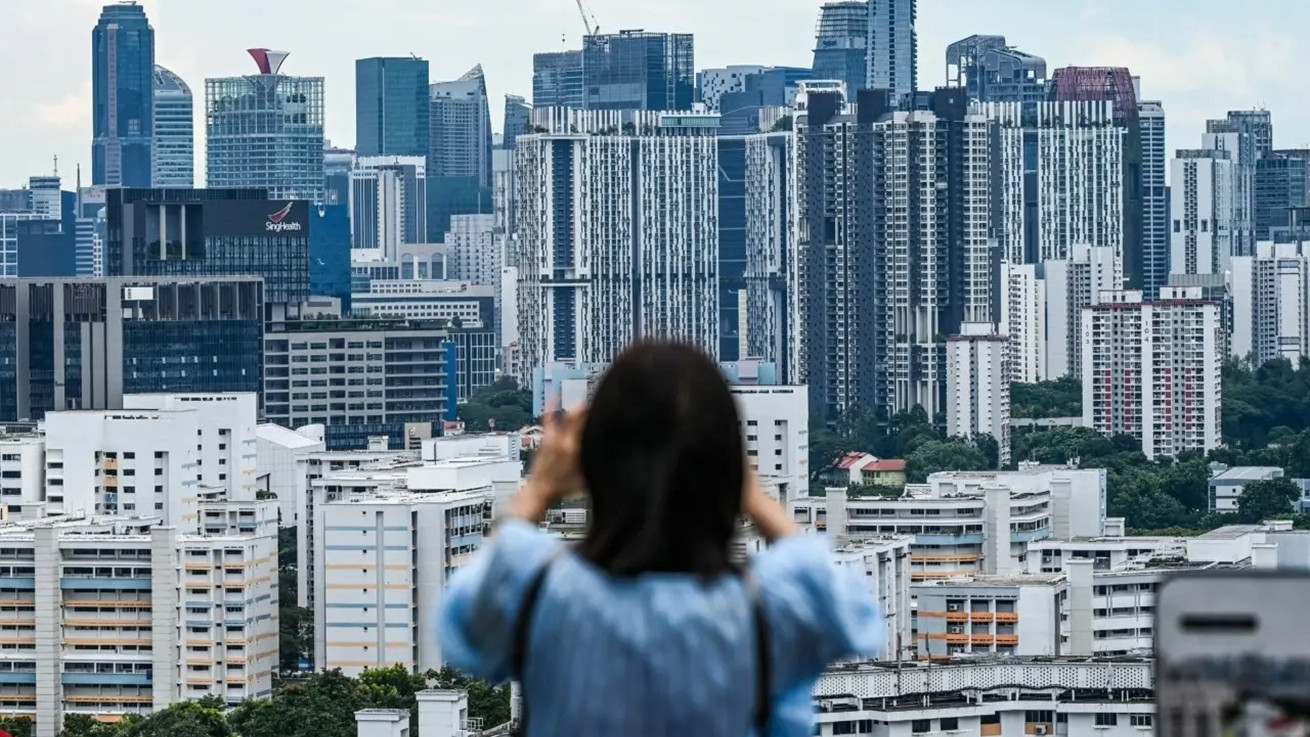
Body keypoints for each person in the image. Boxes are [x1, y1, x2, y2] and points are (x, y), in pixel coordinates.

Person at [438, 340, 883, 737]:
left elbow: (465, 627)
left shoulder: (539, 591)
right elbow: (853, 615)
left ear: (596, 462)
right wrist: (752, 494)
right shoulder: (766, 608)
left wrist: (538, 489)